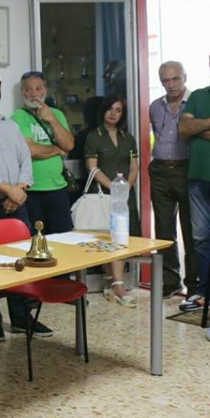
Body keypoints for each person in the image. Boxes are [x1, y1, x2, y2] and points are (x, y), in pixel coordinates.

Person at [0, 73, 53, 340]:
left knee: (21, 259)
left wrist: (20, 189)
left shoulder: (11, 125)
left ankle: (21, 317)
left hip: (18, 199)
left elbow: (25, 159)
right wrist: (8, 190)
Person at [178, 44, 210, 339]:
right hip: (198, 179)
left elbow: (192, 127)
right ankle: (204, 293)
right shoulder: (197, 95)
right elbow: (184, 129)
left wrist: (199, 127)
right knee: (200, 239)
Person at [84, 96, 139, 307]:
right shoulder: (94, 136)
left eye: (118, 110)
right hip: (105, 193)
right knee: (108, 238)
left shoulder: (128, 138)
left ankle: (113, 282)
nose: (113, 113)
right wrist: (114, 187)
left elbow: (134, 167)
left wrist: (126, 187)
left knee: (121, 237)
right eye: (110, 109)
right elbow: (93, 168)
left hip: (124, 195)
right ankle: (117, 285)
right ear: (103, 111)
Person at [149, 61, 194, 299]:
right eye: (166, 80)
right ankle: (170, 281)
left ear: (184, 77)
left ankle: (194, 285)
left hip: (187, 171)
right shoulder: (155, 107)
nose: (171, 84)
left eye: (175, 79)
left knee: (191, 229)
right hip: (160, 171)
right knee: (163, 230)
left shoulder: (195, 102)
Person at [11, 71, 75, 235]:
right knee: (36, 240)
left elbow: (69, 145)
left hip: (58, 188)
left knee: (64, 239)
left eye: (38, 89)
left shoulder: (57, 114)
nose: (33, 94)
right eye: (28, 89)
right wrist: (58, 149)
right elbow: (31, 150)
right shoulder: (18, 117)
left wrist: (52, 119)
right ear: (22, 92)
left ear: (45, 90)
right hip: (31, 191)